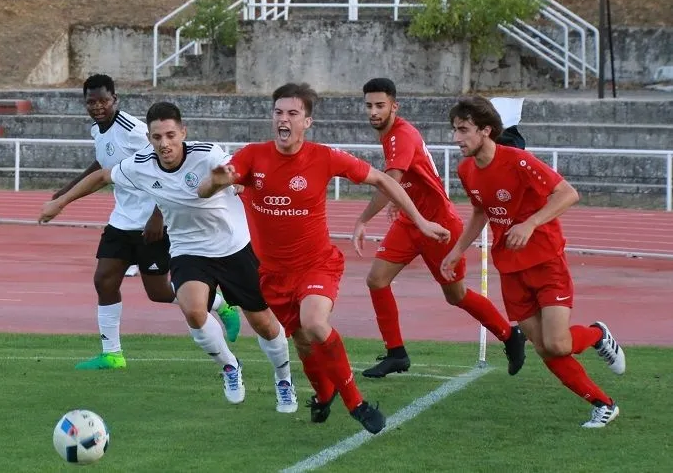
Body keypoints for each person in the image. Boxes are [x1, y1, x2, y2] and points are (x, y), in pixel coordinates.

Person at [196, 82, 452, 435]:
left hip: (317, 263)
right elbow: (205, 189)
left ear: (307, 122)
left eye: (292, 113)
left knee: (315, 323)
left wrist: (420, 221)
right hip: (273, 274)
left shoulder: (324, 156)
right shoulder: (252, 156)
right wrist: (216, 181)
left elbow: (382, 179)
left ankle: (356, 403)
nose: (283, 119)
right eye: (278, 112)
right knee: (302, 341)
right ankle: (323, 393)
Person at [40, 101, 299, 413]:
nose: (164, 143)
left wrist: (240, 184)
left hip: (233, 248)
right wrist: (61, 202)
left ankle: (283, 380)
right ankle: (230, 366)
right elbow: (102, 177)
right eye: (157, 137)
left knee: (264, 324)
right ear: (149, 138)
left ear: (183, 133)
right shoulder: (141, 164)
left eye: (170, 135)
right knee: (192, 311)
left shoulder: (208, 154)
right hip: (189, 251)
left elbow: (239, 171)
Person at [440, 96, 626, 428]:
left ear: (486, 130)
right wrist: (457, 250)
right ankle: (603, 403)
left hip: (545, 261)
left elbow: (568, 193)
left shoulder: (518, 161)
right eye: (454, 130)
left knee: (557, 343)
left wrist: (530, 224)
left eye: (463, 130)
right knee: (544, 348)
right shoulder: (466, 169)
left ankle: (597, 335)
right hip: (510, 270)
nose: (456, 138)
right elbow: (481, 211)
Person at [51, 74, 240, 370]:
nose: (98, 106)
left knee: (159, 292)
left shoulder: (135, 131)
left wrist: (157, 216)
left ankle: (220, 304)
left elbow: (164, 169)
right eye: (91, 101)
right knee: (103, 280)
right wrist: (65, 191)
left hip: (151, 222)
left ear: (115, 99)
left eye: (103, 100)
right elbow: (102, 165)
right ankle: (112, 354)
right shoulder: (97, 130)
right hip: (122, 220)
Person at [352, 78, 526, 379]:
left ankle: (510, 336)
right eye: (369, 105)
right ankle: (396, 353)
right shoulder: (391, 135)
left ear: (395, 106)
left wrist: (363, 219)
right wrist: (402, 199)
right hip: (412, 221)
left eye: (380, 105)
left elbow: (387, 181)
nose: (373, 111)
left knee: (455, 295)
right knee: (377, 280)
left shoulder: (401, 135)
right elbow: (403, 179)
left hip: (439, 225)